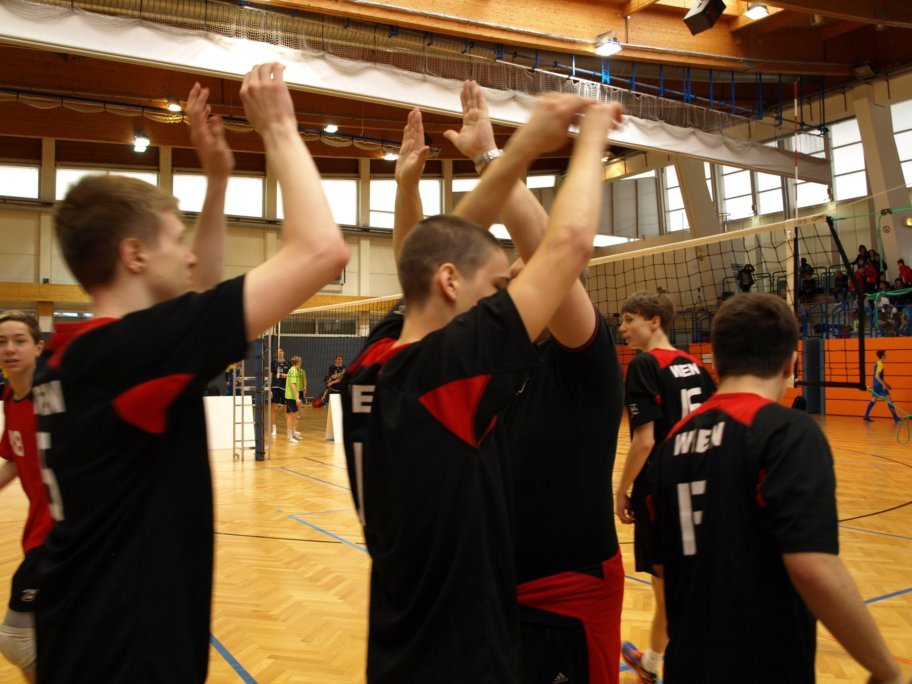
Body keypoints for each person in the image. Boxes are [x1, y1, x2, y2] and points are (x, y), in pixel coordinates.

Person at [31, 64, 349, 682]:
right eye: (175, 240)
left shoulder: (69, 356)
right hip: (128, 656)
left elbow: (195, 294)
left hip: (80, 631)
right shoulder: (131, 353)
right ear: (134, 254)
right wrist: (280, 128)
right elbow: (322, 250)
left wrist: (219, 179)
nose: (189, 253)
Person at [341, 94, 623, 682]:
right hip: (481, 599)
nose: (511, 290)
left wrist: (496, 156)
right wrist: (497, 157)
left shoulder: (578, 362)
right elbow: (425, 275)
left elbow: (557, 250)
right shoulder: (459, 363)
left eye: (517, 280)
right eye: (500, 284)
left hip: (561, 594)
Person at [648, 294, 903, 683]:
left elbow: (662, 567)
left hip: (687, 663)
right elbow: (813, 567)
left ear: (716, 360)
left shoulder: (671, 443)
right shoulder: (786, 432)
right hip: (763, 667)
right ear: (791, 364)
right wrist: (886, 669)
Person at [614, 291, 716, 684]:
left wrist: (621, 489)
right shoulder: (697, 365)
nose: (622, 328)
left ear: (654, 321)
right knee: (686, 585)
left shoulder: (644, 364)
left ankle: (665, 666)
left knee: (667, 594)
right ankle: (651, 663)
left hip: (661, 491)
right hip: (700, 486)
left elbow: (644, 441)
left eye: (629, 319)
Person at [0, 311, 52, 684]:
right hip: (36, 532)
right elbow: (13, 461)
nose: (9, 349)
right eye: (2, 342)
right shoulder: (10, 398)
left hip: (63, 536)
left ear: (38, 347)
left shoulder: (56, 400)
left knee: (16, 639)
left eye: (19, 340)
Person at [864, 350, 901, 422]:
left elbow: (878, 377)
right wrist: (883, 385)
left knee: (873, 400)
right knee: (890, 401)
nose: (886, 355)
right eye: (885, 354)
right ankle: (896, 418)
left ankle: (866, 415)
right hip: (879, 385)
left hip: (875, 384)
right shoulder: (880, 364)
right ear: (883, 356)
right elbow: (877, 376)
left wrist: (886, 384)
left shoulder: (877, 363)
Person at [285, 355, 305, 441]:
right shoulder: (293, 371)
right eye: (300, 362)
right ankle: (289, 436)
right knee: (292, 415)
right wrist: (297, 398)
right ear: (298, 362)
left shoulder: (293, 370)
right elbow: (292, 385)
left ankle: (293, 434)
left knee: (293, 415)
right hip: (291, 397)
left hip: (291, 396)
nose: (301, 363)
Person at [271, 347, 289, 435]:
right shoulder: (273, 362)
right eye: (278, 351)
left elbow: (291, 375)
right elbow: (270, 374)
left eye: (281, 351)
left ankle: (290, 430)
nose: (280, 352)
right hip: (275, 387)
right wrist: (269, 388)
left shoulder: (288, 363)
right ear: (276, 354)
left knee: (286, 410)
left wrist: (286, 375)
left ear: (283, 352)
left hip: (285, 388)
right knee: (274, 409)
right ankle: (274, 429)